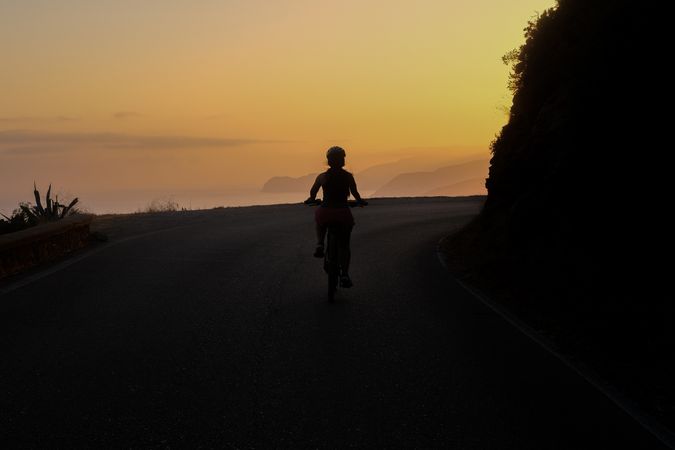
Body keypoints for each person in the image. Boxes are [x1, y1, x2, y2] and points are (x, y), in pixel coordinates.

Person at [304, 146, 367, 288]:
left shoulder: (322, 177)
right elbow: (356, 194)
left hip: (326, 211)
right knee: (345, 245)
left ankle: (320, 243)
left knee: (320, 221)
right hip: (342, 213)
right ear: (343, 160)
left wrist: (311, 199)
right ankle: (344, 274)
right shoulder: (348, 177)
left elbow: (313, 193)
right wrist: (360, 202)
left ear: (328, 161)